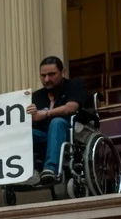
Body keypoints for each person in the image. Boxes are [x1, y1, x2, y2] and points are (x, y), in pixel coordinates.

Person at [28, 56, 89, 186]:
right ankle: (26, 170)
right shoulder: (37, 96)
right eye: (43, 76)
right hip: (44, 134)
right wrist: (30, 114)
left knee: (57, 122)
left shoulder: (74, 85)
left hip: (70, 133)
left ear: (62, 72)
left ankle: (51, 169)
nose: (46, 79)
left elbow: (71, 107)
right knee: (25, 132)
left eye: (51, 74)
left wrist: (45, 113)